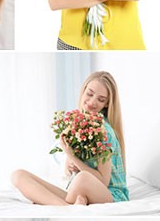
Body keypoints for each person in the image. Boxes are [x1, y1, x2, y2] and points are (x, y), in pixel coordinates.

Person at [12, 71, 129, 207]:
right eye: (90, 94)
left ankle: (62, 203)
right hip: (77, 190)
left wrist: (72, 156)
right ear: (83, 90)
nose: (92, 102)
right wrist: (70, 164)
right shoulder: (78, 123)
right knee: (18, 175)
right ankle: (66, 207)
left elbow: (102, 181)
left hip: (109, 193)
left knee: (82, 179)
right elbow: (69, 172)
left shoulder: (103, 130)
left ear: (107, 104)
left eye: (101, 99)